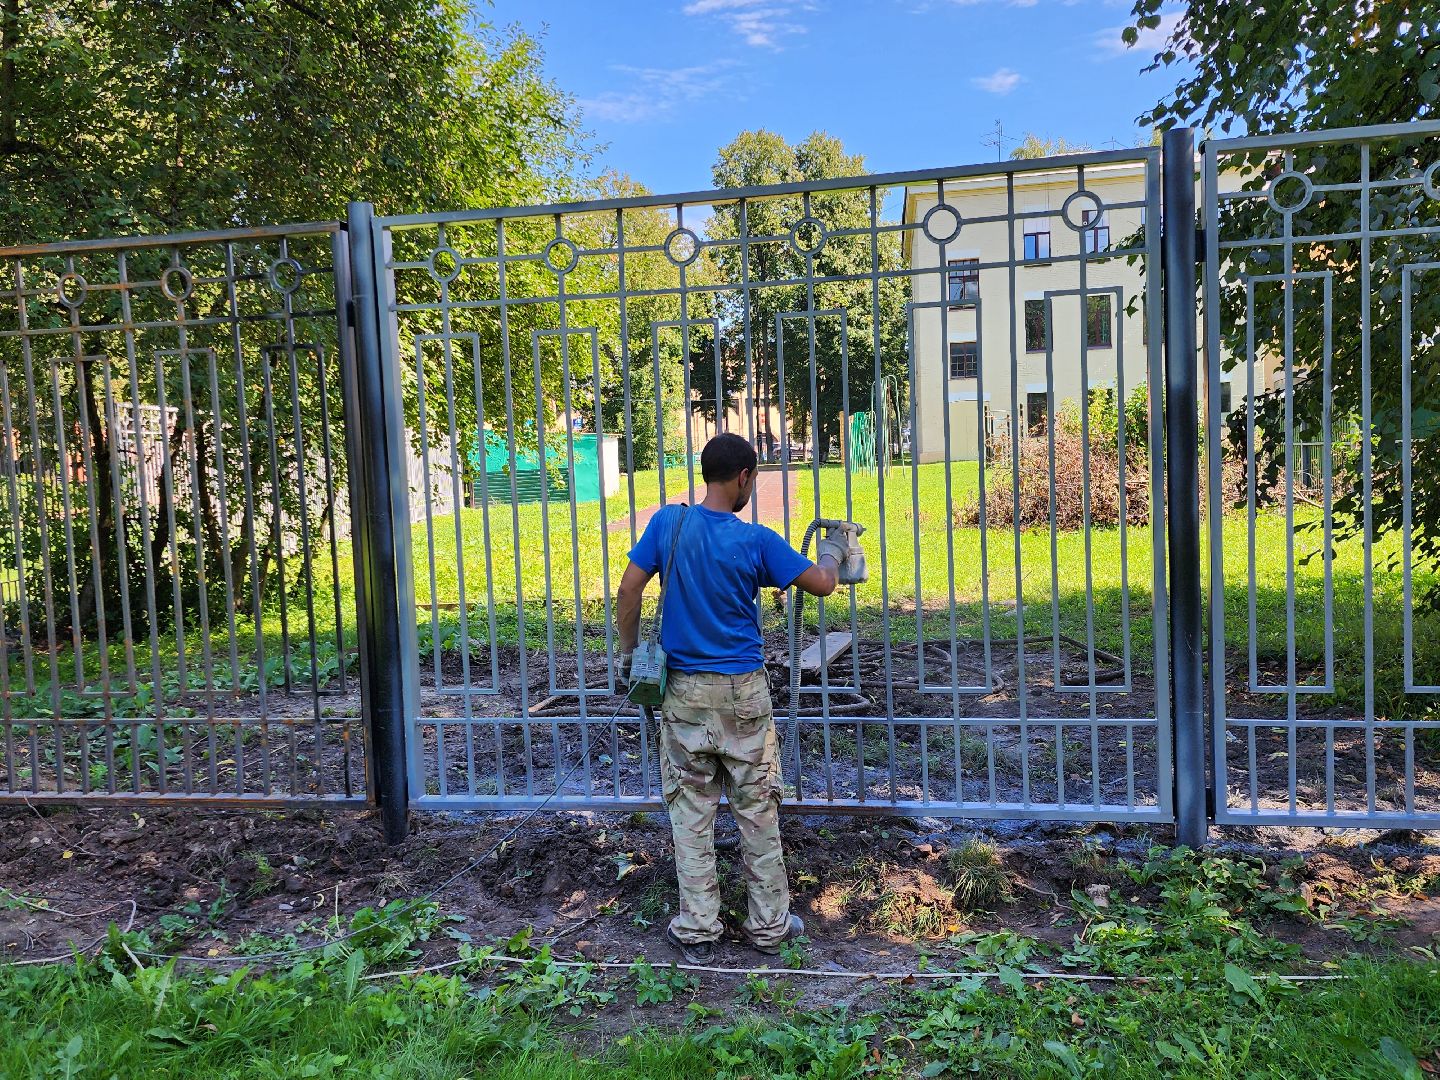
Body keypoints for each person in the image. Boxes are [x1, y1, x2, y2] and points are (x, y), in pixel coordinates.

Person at [615, 433, 848, 963]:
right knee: (757, 807)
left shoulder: (666, 525)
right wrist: (832, 553)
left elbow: (629, 590)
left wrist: (630, 655)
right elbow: (822, 584)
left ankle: (699, 926)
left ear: (707, 474)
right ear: (744, 476)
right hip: (744, 693)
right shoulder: (756, 542)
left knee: (690, 810)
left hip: (683, 693)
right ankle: (768, 926)